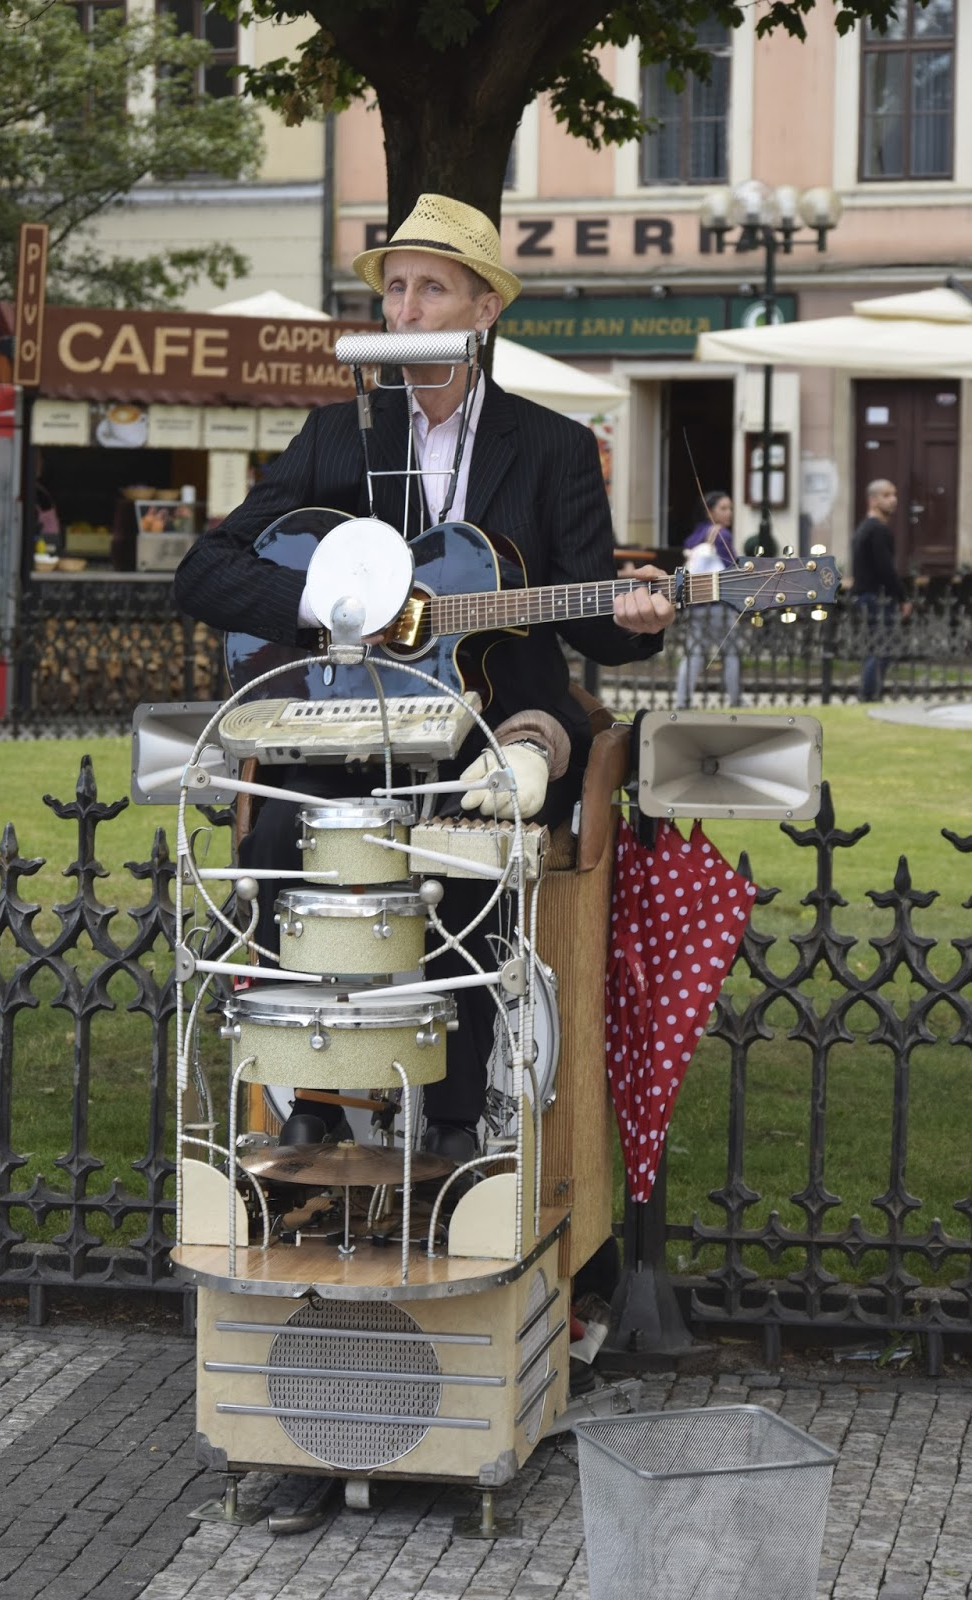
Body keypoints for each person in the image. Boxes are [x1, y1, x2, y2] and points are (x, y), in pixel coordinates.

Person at [174, 193, 674, 1164]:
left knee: (460, 855)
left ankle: (449, 1130)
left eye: (430, 287)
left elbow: (598, 631)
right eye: (394, 288)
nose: (404, 309)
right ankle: (313, 1094)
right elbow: (206, 571)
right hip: (354, 722)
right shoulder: (334, 436)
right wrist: (332, 606)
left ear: (483, 309)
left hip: (503, 732)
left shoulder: (553, 446)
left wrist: (639, 620)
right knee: (282, 831)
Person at [674, 490, 741, 709]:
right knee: (730, 652)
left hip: (696, 603)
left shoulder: (694, 536)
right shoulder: (722, 535)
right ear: (710, 512)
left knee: (694, 652)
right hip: (718, 604)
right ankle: (736, 699)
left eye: (730, 508)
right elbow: (731, 571)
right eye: (723, 508)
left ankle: (682, 700)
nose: (729, 513)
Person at [851, 479, 911, 702]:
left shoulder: (866, 527)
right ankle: (868, 694)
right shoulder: (877, 530)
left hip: (866, 595)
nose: (893, 499)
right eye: (887, 495)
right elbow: (886, 569)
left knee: (877, 646)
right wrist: (903, 597)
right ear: (873, 500)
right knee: (883, 647)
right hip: (875, 597)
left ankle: (870, 692)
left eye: (894, 494)